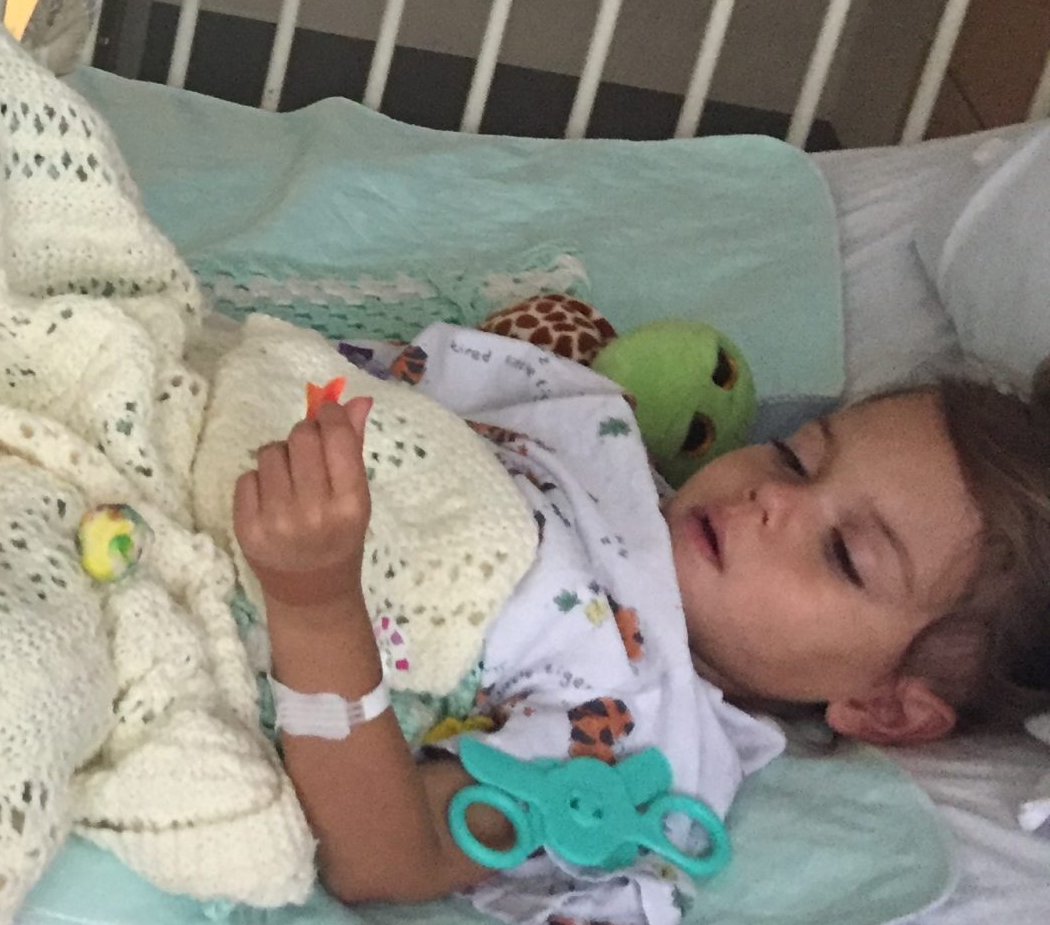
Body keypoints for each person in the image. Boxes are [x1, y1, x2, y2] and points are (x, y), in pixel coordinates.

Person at [236, 329, 1050, 925]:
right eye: (796, 457)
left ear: (886, 707)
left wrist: (313, 606)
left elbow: (384, 854)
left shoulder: (644, 734)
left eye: (843, 553)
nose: (775, 499)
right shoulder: (600, 439)